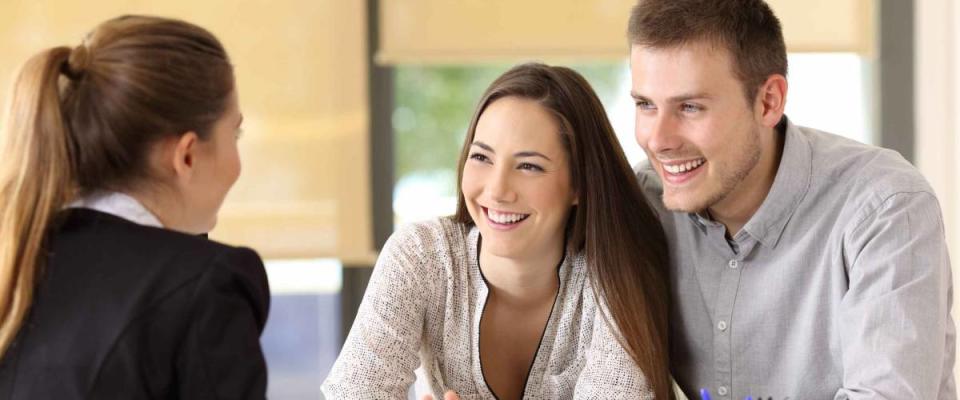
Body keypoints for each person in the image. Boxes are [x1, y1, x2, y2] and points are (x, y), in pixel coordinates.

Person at [627, 0, 956, 398]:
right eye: (645, 104)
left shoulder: (884, 206)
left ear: (769, 101)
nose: (658, 140)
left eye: (690, 107)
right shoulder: (641, 201)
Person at [322, 63, 672, 399]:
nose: (497, 190)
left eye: (529, 166)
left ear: (579, 184)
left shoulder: (614, 276)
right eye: (482, 157)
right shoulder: (422, 257)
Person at [0, 15, 269, 399]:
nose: (238, 164)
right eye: (235, 133)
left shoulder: (16, 263)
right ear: (187, 156)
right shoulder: (203, 287)